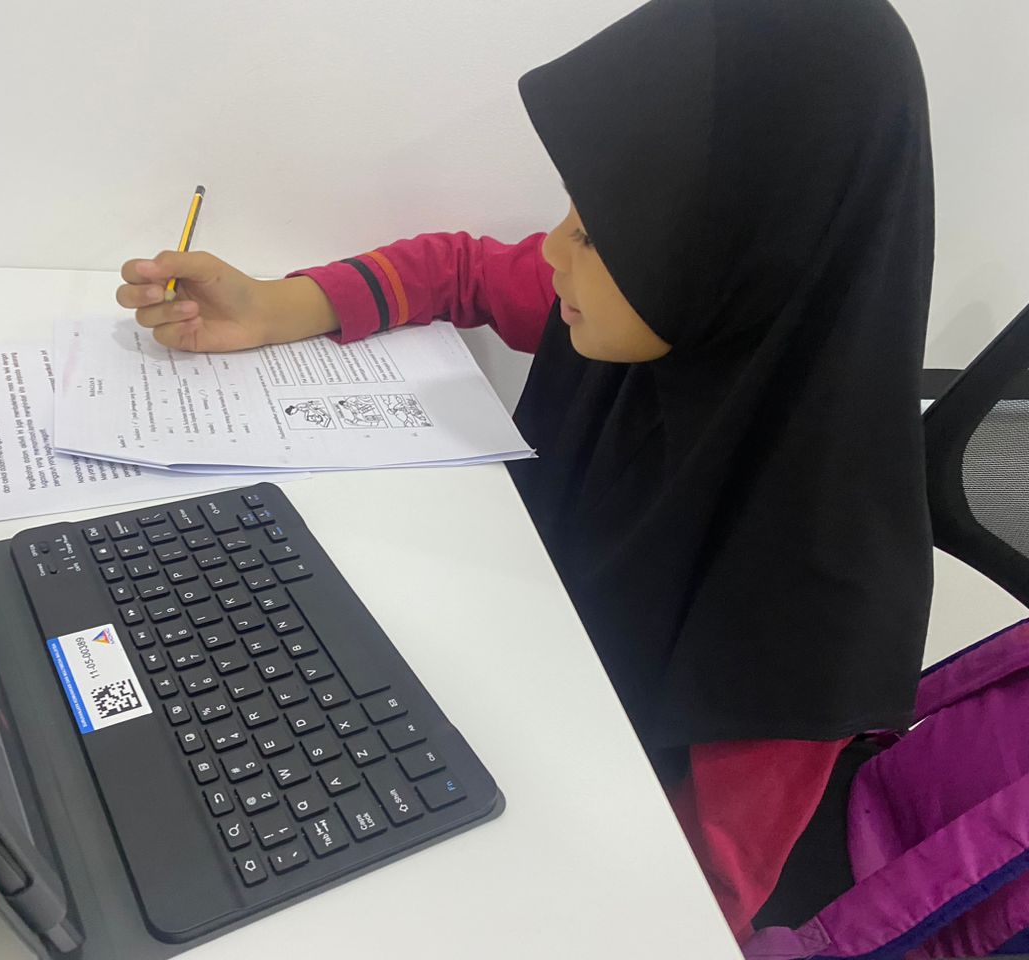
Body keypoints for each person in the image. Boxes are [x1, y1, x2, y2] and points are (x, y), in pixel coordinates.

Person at [116, 0, 934, 942]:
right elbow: (457, 269)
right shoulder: (681, 323)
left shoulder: (821, 598)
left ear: (746, 255)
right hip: (487, 687)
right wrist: (272, 306)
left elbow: (691, 904)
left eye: (598, 233)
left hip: (554, 843)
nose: (553, 248)